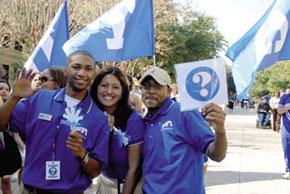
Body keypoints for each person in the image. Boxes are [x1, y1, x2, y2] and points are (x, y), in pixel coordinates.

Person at [0, 50, 110, 193]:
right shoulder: (40, 98)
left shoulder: (98, 118)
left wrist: (82, 154)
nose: (82, 73)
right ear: (66, 70)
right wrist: (14, 97)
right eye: (76, 67)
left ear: (93, 74)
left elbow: (95, 171)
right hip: (30, 190)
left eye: (88, 69)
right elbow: (2, 125)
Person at [139, 67, 227, 194]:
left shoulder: (185, 113)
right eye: (146, 86)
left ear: (169, 90)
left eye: (157, 86)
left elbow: (217, 155)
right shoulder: (145, 121)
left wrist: (220, 131)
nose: (151, 91)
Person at [90, 66, 145, 194]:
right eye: (104, 85)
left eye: (115, 87)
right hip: (103, 184)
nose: (109, 91)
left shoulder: (133, 119)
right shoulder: (91, 115)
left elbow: (134, 168)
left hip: (127, 186)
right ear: (96, 88)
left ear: (122, 92)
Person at [0, 79, 22, 194]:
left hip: (7, 150)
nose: (4, 91)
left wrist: (23, 149)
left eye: (7, 89)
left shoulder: (13, 108)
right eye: (1, 89)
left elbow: (15, 133)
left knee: (6, 184)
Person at [278, 86, 290, 179]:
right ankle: (288, 170)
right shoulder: (285, 97)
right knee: (287, 150)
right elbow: (280, 110)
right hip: (286, 128)